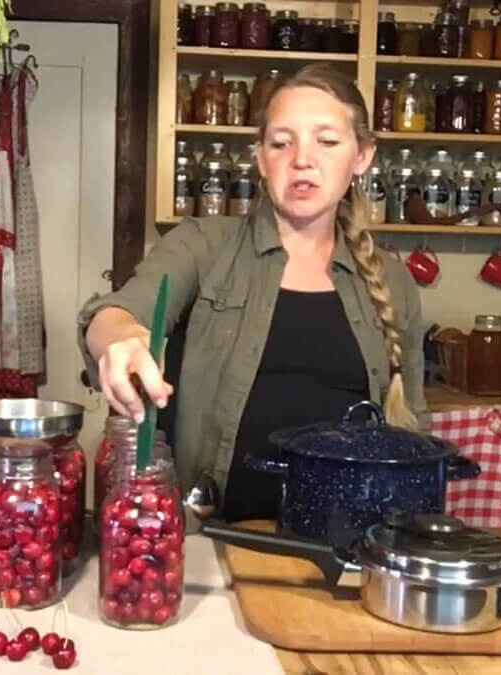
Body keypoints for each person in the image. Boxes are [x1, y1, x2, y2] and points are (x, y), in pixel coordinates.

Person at [78, 64, 429, 522]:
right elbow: (119, 311)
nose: (302, 160)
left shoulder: (392, 280)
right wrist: (121, 339)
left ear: (362, 156)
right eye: (282, 143)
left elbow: (415, 429)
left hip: (343, 544)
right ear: (261, 158)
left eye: (327, 141)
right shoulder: (203, 243)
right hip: (211, 544)